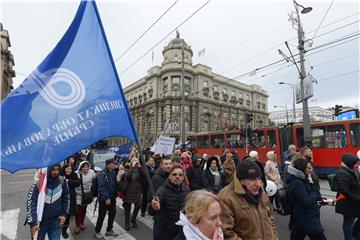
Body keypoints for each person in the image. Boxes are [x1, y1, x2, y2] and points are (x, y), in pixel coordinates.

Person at [218, 160, 278, 239]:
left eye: (259, 178)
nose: (258, 184)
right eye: (252, 179)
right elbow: (226, 232)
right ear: (241, 180)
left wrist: (274, 237)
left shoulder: (262, 193)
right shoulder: (226, 197)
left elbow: (270, 220)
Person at [26, 164, 70, 240]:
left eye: (57, 169)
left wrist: (64, 214)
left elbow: (66, 198)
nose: (55, 172)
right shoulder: (38, 184)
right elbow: (31, 203)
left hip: (56, 221)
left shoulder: (62, 181)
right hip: (40, 222)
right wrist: (33, 223)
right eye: (53, 169)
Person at [286, 157, 326, 240]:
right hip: (306, 217)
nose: (311, 170)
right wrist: (315, 191)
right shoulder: (297, 183)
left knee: (297, 235)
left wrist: (321, 200)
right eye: (308, 168)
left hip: (304, 217)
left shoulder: (303, 179)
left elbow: (308, 196)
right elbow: (306, 202)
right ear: (302, 169)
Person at [149, 165, 190, 240]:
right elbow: (152, 209)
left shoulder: (187, 190)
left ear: (183, 177)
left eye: (180, 175)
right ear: (169, 176)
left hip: (181, 231)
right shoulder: (162, 190)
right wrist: (154, 206)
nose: (177, 176)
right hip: (165, 232)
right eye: (174, 174)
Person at [335, 153, 360, 240]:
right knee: (348, 222)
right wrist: (357, 198)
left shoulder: (353, 170)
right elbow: (344, 190)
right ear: (350, 163)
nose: (358, 165)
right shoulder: (342, 173)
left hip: (354, 201)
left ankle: (355, 232)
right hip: (347, 203)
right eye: (356, 163)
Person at [148, 157, 173, 240]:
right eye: (166, 164)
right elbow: (149, 196)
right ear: (161, 166)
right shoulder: (156, 178)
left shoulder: (173, 176)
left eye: (170, 163)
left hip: (171, 214)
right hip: (160, 215)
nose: (169, 166)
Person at [94, 158, 119, 239]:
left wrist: (116, 193)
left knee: (112, 214)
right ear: (108, 164)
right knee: (101, 216)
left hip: (112, 198)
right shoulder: (103, 174)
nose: (115, 165)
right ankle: (97, 231)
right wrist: (106, 198)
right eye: (113, 163)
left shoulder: (113, 172)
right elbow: (101, 187)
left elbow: (115, 184)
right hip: (104, 199)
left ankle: (109, 230)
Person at [74, 161, 96, 234]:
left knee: (83, 210)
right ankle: (77, 225)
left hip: (87, 195)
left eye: (87, 167)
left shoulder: (92, 172)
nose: (85, 168)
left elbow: (95, 181)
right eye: (83, 167)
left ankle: (81, 223)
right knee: (78, 211)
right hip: (78, 194)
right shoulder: (76, 173)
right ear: (80, 167)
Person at [122, 157, 144, 231]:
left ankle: (133, 219)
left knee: (138, 206)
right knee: (127, 209)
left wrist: (140, 168)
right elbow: (127, 175)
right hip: (128, 191)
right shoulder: (128, 168)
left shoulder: (139, 169)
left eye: (137, 161)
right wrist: (132, 167)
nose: (136, 162)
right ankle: (126, 223)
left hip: (137, 191)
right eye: (134, 161)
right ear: (131, 162)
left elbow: (145, 175)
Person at [60, 164, 80, 238]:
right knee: (63, 215)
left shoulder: (74, 175)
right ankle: (62, 229)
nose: (69, 170)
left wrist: (67, 180)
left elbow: (78, 182)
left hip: (71, 198)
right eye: (67, 169)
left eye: (70, 169)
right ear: (64, 169)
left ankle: (64, 230)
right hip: (61, 199)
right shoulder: (60, 176)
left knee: (68, 216)